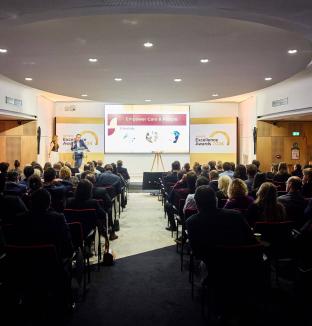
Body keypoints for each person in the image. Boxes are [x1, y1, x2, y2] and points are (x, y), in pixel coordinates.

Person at [186, 186, 255, 260]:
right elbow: (250, 238)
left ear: (196, 203)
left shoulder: (191, 222)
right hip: (239, 260)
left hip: (211, 264)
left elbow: (197, 252)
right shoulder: (236, 215)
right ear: (216, 200)